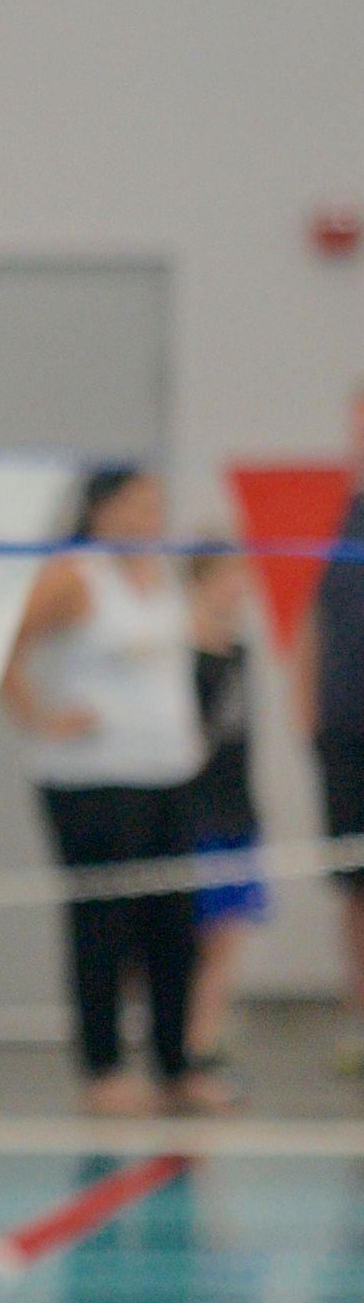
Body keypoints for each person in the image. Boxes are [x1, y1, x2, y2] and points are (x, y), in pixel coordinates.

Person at [1, 464, 212, 1115]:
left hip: (168, 774)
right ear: (101, 509)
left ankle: (175, 1063)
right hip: (92, 780)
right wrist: (40, 715)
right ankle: (102, 1066)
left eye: (157, 506)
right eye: (138, 507)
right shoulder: (74, 576)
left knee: (175, 928)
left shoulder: (160, 575)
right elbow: (2, 642)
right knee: (103, 926)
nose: (151, 520)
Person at [288, 405, 364, 1074]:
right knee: (354, 886)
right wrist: (304, 707)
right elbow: (309, 620)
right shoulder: (333, 520)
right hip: (344, 731)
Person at [184, 545, 264, 1093]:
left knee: (227, 935)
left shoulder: (241, 650)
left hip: (235, 806)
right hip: (195, 811)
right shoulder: (182, 652)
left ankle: (204, 1040)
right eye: (227, 577)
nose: (237, 588)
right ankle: (186, 1043)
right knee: (195, 936)